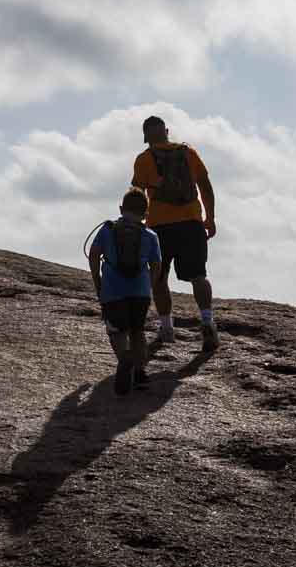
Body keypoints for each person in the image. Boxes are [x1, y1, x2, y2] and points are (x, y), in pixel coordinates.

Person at [130, 115, 219, 352]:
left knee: (159, 278)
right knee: (198, 276)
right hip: (191, 222)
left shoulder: (143, 160)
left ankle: (167, 328)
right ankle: (207, 321)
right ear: (167, 131)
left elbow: (136, 196)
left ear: (146, 136)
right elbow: (206, 187)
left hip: (158, 227)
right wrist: (209, 218)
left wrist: (134, 225)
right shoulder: (188, 153)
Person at [88, 190, 162, 395]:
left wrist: (97, 281)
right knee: (137, 332)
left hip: (113, 292)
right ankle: (140, 373)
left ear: (121, 209)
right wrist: (149, 287)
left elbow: (94, 254)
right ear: (146, 214)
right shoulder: (150, 235)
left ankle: (125, 359)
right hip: (140, 293)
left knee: (117, 331)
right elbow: (156, 265)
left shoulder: (107, 229)